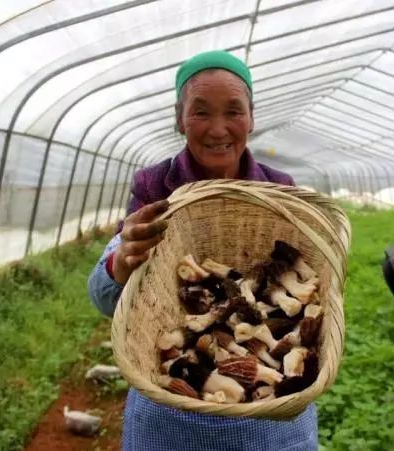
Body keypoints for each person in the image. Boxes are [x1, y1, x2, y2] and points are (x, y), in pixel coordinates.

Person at [87, 50, 318, 450]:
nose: (218, 129)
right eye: (200, 112)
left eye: (233, 111)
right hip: (170, 413)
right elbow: (104, 298)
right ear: (180, 118)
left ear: (251, 116)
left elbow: (305, 284)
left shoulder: (279, 189)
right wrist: (120, 263)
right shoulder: (154, 187)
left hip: (268, 421)